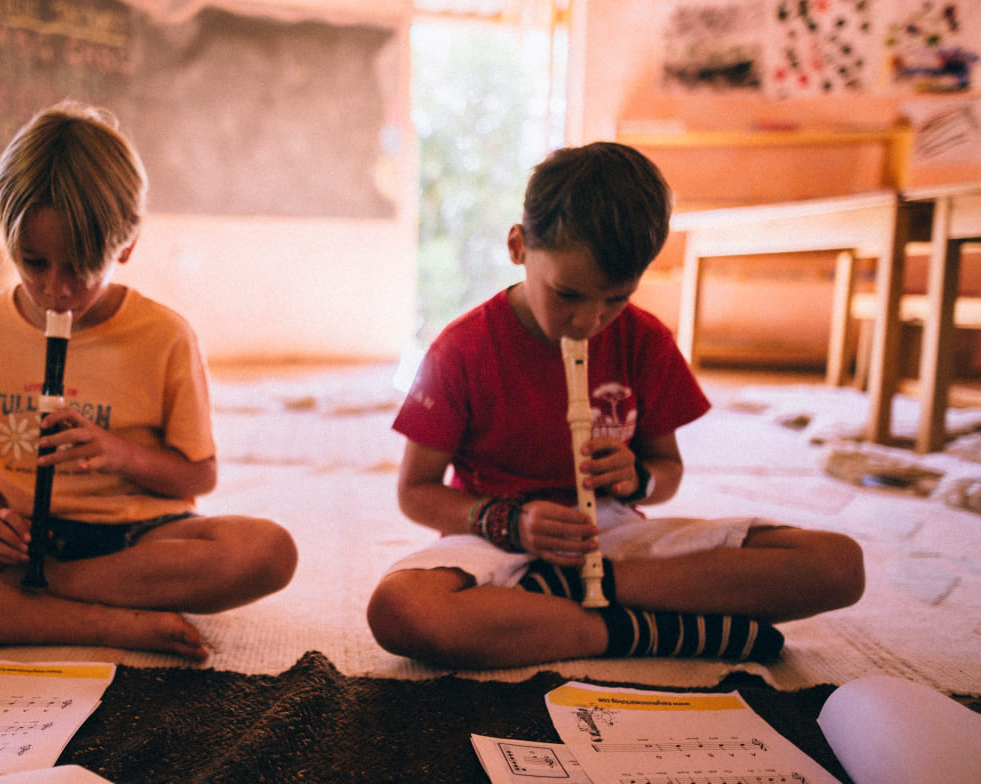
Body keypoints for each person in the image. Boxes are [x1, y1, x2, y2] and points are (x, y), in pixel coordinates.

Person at [0, 102, 296, 661]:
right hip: (20, 539)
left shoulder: (165, 336)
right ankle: (99, 624)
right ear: (7, 237)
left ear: (126, 246)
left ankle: (47, 596)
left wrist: (120, 454)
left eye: (81, 267)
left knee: (267, 552)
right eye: (34, 262)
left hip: (135, 541)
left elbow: (198, 474)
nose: (56, 290)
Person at [366, 142, 864, 670]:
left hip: (614, 538)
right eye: (568, 295)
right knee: (401, 610)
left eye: (616, 298)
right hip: (497, 540)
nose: (589, 322)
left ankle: (578, 604)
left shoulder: (644, 340)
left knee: (837, 565)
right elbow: (415, 492)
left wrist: (638, 479)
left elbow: (667, 470)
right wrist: (509, 522)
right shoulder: (461, 348)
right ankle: (647, 629)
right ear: (518, 247)